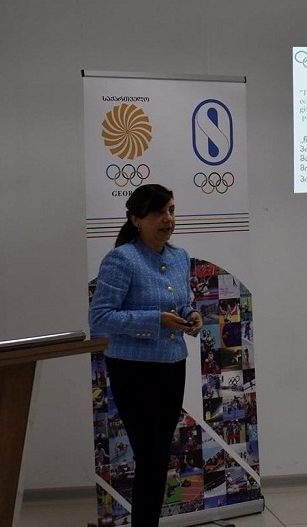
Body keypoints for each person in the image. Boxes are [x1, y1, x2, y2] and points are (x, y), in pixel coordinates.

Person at [89, 184, 203, 527]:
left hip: (172, 364)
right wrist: (155, 320)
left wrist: (191, 315)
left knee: (159, 455)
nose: (168, 219)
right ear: (136, 219)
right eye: (158, 213)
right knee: (150, 455)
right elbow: (100, 317)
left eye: (171, 211)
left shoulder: (179, 257)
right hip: (133, 370)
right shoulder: (122, 259)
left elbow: (180, 303)